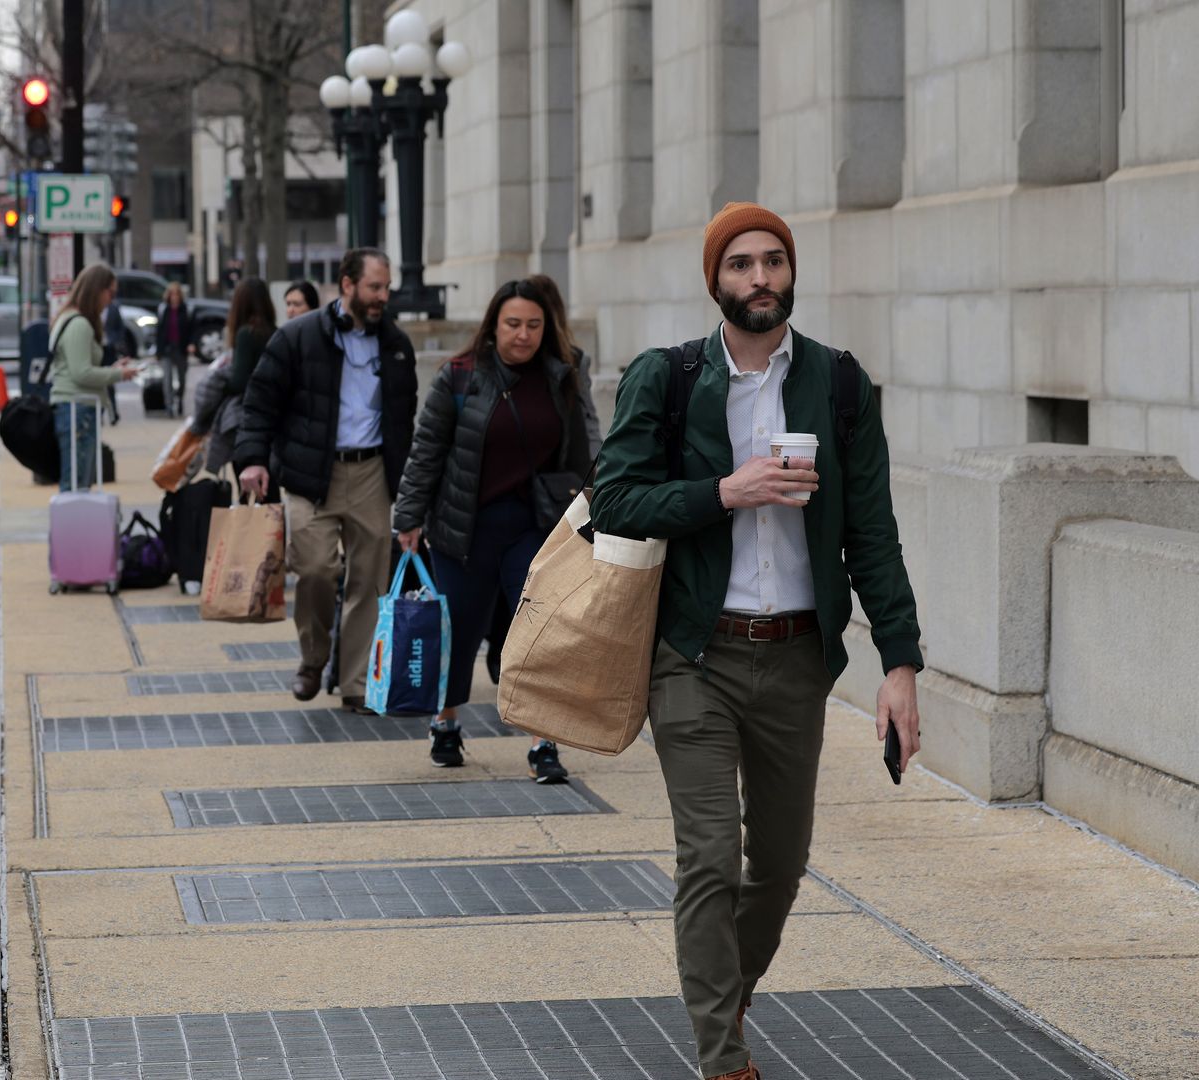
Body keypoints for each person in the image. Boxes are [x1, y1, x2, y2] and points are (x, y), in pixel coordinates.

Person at [591, 202, 923, 1080]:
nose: (760, 278)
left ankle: (724, 984)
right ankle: (723, 1055)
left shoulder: (839, 383)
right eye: (740, 264)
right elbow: (615, 501)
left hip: (796, 658)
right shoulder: (667, 377)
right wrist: (724, 491)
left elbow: (873, 534)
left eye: (772, 261)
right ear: (716, 281)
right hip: (693, 652)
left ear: (791, 274)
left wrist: (899, 664)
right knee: (708, 857)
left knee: (777, 864)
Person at [392, 281, 596, 778]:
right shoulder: (459, 377)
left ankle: (543, 741)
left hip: (534, 527)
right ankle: (445, 724)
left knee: (537, 633)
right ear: (493, 325)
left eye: (533, 325)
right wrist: (408, 518)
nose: (522, 335)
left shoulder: (564, 376)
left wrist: (598, 504)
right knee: (459, 631)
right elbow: (426, 452)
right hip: (464, 528)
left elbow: (588, 445)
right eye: (512, 324)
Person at [235, 249, 418, 714]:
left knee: (369, 581)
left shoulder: (396, 344)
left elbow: (405, 421)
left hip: (373, 473)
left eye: (387, 288)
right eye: (375, 287)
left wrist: (410, 482)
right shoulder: (297, 337)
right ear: (347, 285)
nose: (382, 297)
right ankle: (314, 658)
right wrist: (253, 460)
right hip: (310, 473)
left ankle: (355, 683)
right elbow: (258, 403)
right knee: (315, 568)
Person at [48, 265, 140, 491]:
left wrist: (111, 369)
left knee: (76, 483)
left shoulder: (69, 318)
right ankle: (73, 527)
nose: (111, 299)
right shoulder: (80, 324)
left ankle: (72, 526)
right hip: (78, 409)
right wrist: (118, 374)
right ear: (97, 290)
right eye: (111, 292)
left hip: (74, 408)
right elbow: (82, 373)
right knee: (77, 485)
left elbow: (79, 367)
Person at [190, 277, 275, 477]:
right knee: (268, 484)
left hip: (248, 419)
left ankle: (250, 511)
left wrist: (221, 382)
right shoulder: (275, 332)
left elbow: (239, 381)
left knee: (247, 481)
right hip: (272, 415)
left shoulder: (246, 334)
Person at [155, 282, 193, 418]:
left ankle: (180, 400)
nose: (174, 297)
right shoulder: (163, 309)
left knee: (182, 379)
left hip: (181, 348)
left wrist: (191, 344)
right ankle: (169, 406)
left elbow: (191, 329)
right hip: (167, 348)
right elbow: (159, 331)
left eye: (177, 294)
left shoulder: (186, 310)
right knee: (167, 379)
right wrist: (158, 351)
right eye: (172, 294)